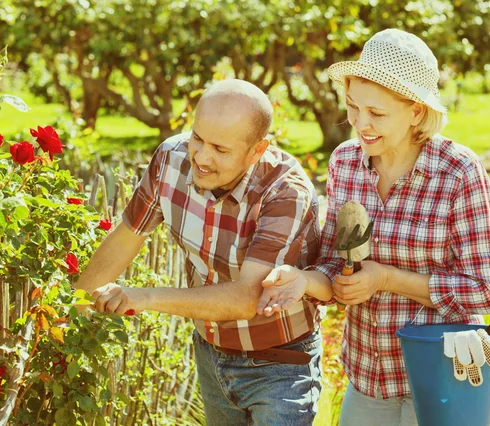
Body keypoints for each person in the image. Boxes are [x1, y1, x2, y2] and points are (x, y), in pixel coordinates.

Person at [256, 29, 490, 426]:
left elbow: (485, 292)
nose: (360, 124)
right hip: (370, 376)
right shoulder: (346, 163)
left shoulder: (458, 172)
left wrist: (386, 278)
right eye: (353, 107)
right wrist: (303, 280)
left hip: (443, 377)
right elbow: (339, 268)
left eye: (377, 113)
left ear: (416, 112)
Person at [75, 79, 323, 425]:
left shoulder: (285, 192)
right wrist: (71, 305)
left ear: (257, 150)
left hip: (280, 364)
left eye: (221, 150)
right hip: (210, 353)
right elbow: (126, 237)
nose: (202, 158)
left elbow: (246, 298)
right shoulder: (171, 159)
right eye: (198, 138)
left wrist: (143, 297)